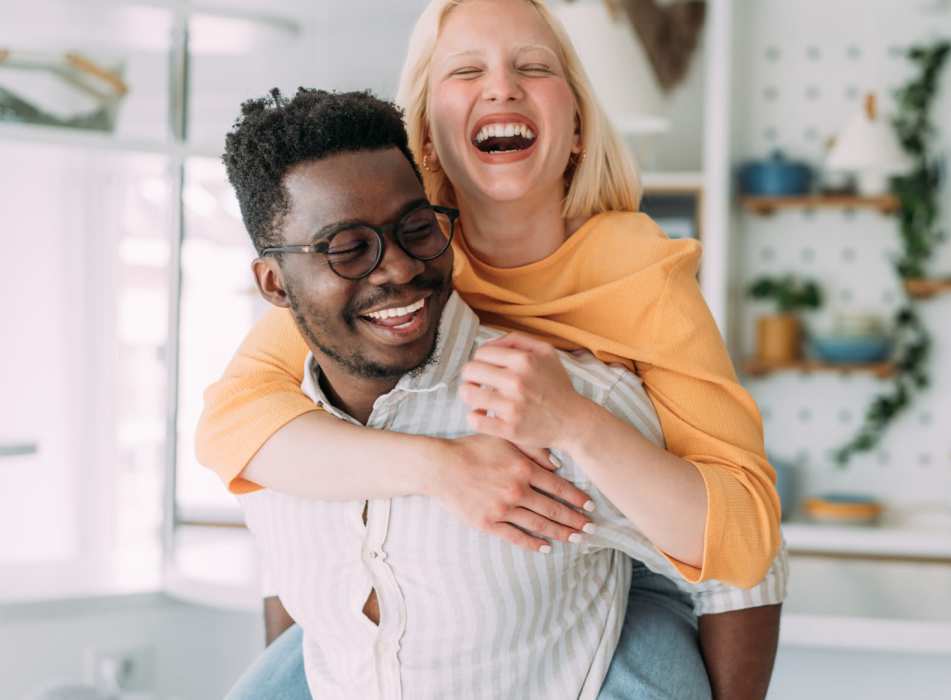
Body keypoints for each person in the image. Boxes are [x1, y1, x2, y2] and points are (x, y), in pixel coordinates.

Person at [221, 87, 786, 700]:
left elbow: (743, 569)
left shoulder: (558, 407)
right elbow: (288, 568)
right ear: (274, 284)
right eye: (349, 249)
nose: (400, 268)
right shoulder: (268, 438)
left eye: (417, 229)